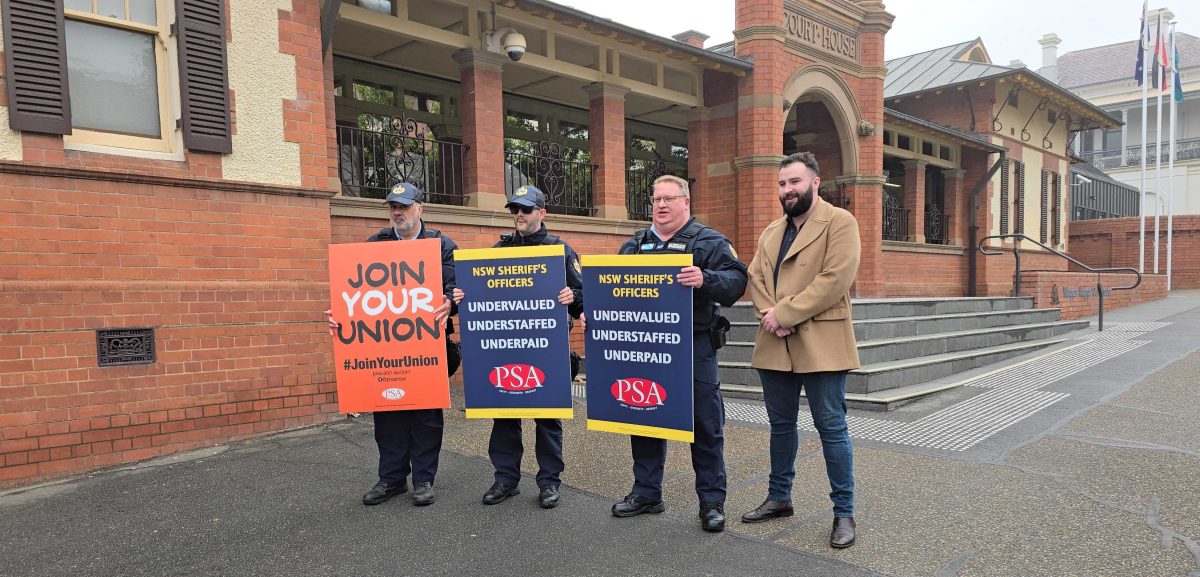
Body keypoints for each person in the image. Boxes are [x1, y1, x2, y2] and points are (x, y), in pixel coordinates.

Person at [601, 174, 748, 533]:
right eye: (656, 200)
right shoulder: (635, 245)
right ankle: (647, 492)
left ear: (686, 203)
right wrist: (591, 308)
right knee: (644, 415)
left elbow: (738, 282)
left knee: (705, 425)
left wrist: (705, 279)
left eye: (669, 198)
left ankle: (711, 501)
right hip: (644, 349)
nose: (662, 206)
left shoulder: (710, 242)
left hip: (693, 348)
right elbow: (611, 288)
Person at [740, 152, 861, 549]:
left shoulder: (840, 222)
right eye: (781, 184)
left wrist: (787, 313)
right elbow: (755, 275)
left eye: (794, 182)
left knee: (831, 427)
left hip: (821, 341)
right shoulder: (772, 231)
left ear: (815, 182)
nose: (787, 190)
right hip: (775, 341)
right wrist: (771, 317)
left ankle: (843, 512)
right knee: (781, 426)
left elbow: (835, 278)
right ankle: (780, 498)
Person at [325, 182, 457, 507]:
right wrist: (340, 316)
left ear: (420, 208)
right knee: (388, 414)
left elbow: (459, 288)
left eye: (404, 206)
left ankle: (423, 479)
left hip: (427, 346)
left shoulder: (441, 245)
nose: (397, 212)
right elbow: (355, 294)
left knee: (425, 415)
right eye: (392, 207)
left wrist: (451, 302)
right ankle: (392, 479)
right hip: (384, 349)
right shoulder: (376, 244)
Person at [452, 185, 583, 509]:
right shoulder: (500, 249)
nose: (519, 215)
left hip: (545, 347)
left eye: (525, 209)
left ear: (542, 213)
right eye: (515, 210)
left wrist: (574, 297)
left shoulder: (560, 250)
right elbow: (478, 286)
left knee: (547, 417)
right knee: (504, 414)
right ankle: (505, 479)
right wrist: (463, 295)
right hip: (505, 344)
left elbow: (584, 297)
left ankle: (549, 482)